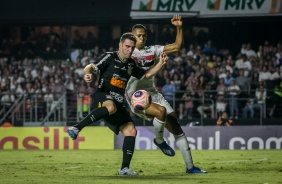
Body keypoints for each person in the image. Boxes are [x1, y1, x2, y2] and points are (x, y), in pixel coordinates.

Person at [66, 32, 167, 175]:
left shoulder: (132, 63)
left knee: (131, 130)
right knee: (111, 106)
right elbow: (91, 66)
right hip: (102, 95)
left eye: (132, 48)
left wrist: (160, 64)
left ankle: (124, 168)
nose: (129, 50)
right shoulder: (110, 57)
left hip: (118, 102)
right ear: (120, 45)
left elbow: (147, 75)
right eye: (127, 46)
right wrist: (87, 73)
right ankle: (76, 128)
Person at [125, 15, 206, 174]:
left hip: (152, 92)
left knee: (175, 123)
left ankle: (191, 167)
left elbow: (177, 47)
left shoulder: (152, 50)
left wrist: (179, 28)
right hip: (135, 95)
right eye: (138, 35)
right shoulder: (127, 54)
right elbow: (144, 74)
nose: (142, 38)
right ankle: (160, 140)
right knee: (161, 112)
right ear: (132, 37)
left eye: (144, 35)